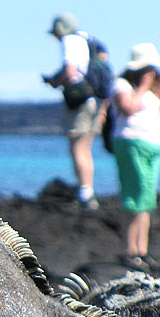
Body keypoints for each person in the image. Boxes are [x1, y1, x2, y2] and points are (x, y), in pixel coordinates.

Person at [109, 43, 160, 272]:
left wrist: (159, 88)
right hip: (130, 143)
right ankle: (130, 249)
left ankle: (141, 250)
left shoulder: (153, 91)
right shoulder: (122, 84)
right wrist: (144, 86)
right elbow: (129, 107)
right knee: (134, 195)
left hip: (153, 144)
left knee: (146, 197)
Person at [44, 13, 104, 210]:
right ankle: (88, 190)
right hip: (95, 99)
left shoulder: (69, 40)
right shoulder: (87, 39)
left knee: (77, 147)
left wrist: (55, 81)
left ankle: (85, 194)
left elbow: (70, 71)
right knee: (85, 148)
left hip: (79, 100)